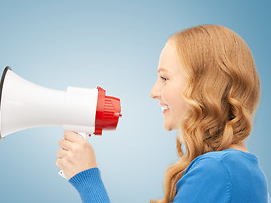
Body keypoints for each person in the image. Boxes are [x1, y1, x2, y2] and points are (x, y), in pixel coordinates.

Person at [56, 25, 270, 203]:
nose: (153, 92)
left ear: (204, 87)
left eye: (164, 78)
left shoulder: (218, 170)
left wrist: (87, 180)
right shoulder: (239, 169)